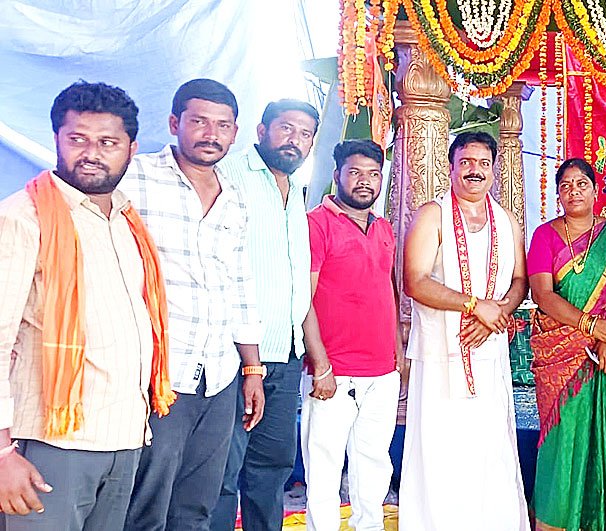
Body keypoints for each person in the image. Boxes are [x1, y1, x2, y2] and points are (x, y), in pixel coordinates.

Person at [0, 82, 167, 531]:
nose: (91, 153)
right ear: (56, 138)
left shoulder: (129, 224)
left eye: (107, 142)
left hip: (125, 439)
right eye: (77, 139)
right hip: (51, 447)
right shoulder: (22, 219)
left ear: (131, 149)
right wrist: (0, 455)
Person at [121, 79, 266, 531]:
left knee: (198, 505)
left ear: (235, 132)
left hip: (219, 376)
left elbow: (239, 284)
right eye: (199, 121)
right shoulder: (135, 177)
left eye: (222, 125)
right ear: (173, 123)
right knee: (146, 503)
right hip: (161, 374)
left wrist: (252, 369)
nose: (211, 133)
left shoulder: (234, 195)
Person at [399, 132, 529, 530]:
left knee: (490, 446)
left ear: (494, 170)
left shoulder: (507, 220)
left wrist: (499, 312)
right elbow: (415, 281)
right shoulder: (431, 215)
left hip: (488, 354)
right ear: (452, 167)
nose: (475, 171)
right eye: (466, 162)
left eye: (483, 163)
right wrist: (475, 306)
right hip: (441, 355)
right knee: (441, 448)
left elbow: (520, 281)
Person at [213, 98, 320, 531]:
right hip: (237, 355)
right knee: (223, 469)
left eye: (305, 133)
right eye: (286, 128)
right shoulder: (230, 175)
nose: (294, 140)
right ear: (261, 130)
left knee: (272, 469)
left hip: (286, 354)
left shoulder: (296, 190)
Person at [527, 158, 606, 531]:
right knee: (561, 442)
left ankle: (604, 519)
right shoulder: (545, 235)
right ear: (558, 193)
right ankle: (555, 522)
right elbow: (543, 295)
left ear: (595, 190)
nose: (573, 191)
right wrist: (593, 326)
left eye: (581, 184)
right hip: (561, 354)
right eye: (566, 185)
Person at [299, 140, 401, 531]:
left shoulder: (384, 228)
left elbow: (387, 293)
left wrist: (397, 358)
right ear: (337, 173)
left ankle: (369, 526)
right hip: (332, 371)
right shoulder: (315, 224)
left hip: (382, 372)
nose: (365, 182)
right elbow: (303, 300)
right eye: (355, 172)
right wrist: (321, 364)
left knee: (374, 462)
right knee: (323, 466)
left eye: (374, 174)